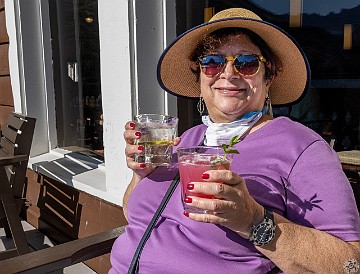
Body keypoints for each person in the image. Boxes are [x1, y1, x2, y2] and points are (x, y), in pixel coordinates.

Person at [109, 8, 360, 274]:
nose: (228, 73)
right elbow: (135, 216)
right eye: (213, 62)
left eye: (247, 63)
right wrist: (140, 175)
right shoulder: (185, 140)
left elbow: (350, 265)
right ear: (201, 76)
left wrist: (253, 220)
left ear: (269, 76)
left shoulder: (302, 149)